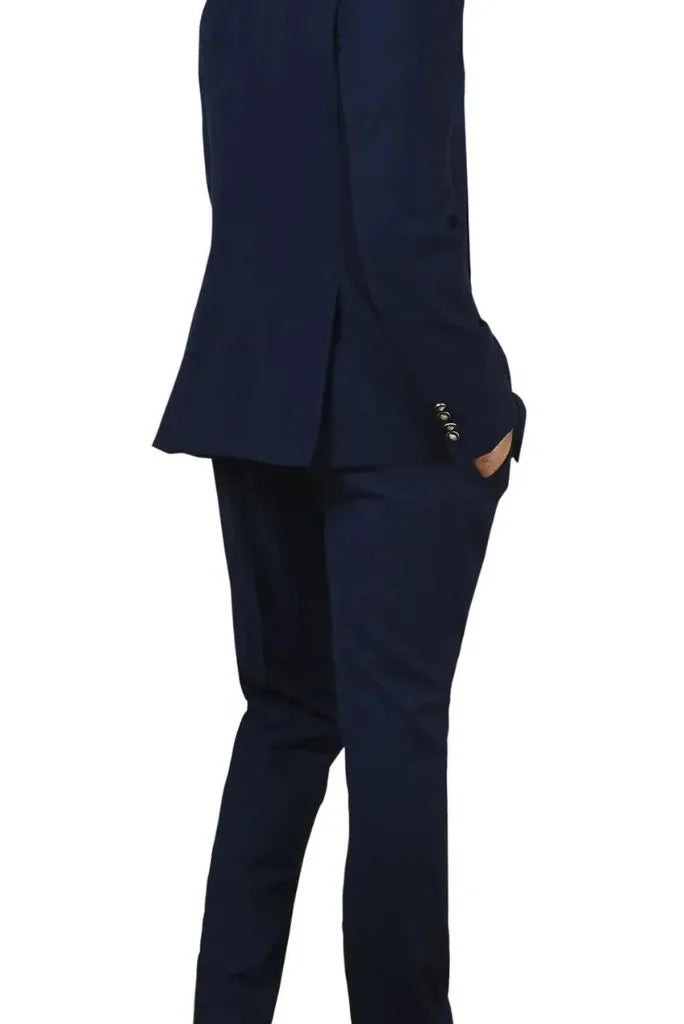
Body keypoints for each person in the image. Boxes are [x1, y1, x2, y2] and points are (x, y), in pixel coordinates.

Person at [154, 0, 526, 1021]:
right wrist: (476, 411)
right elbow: (398, 219)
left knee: (285, 718)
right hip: (390, 413)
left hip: (251, 394)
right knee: (392, 738)